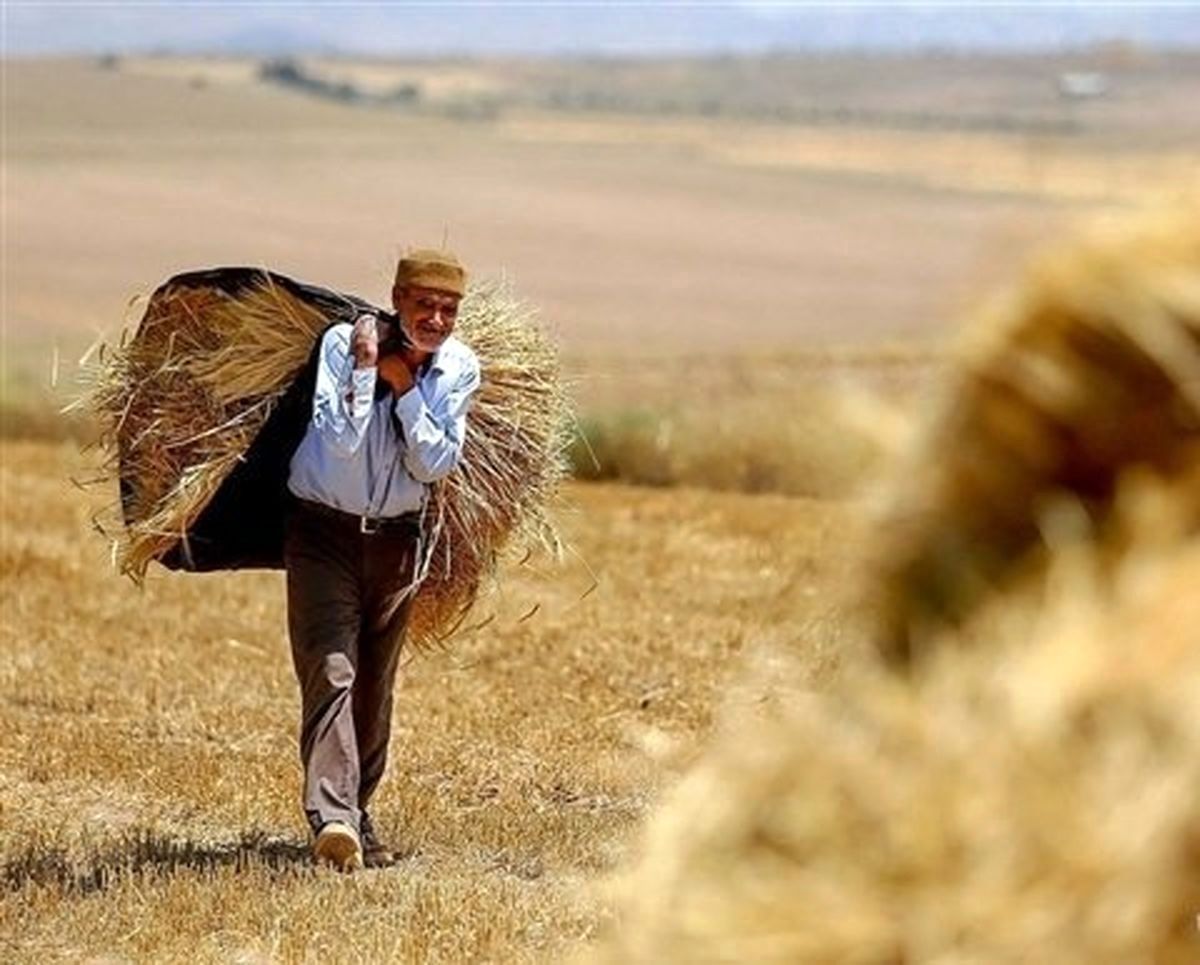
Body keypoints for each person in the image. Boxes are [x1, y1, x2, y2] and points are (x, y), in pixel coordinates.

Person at [283, 248, 480, 871]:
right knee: (332, 668)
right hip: (322, 532)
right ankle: (333, 815)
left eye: (449, 309)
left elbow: (436, 463)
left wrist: (404, 392)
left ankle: (356, 817)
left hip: (399, 541)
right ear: (396, 298)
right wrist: (369, 369)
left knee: (374, 683)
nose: (437, 319)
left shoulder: (459, 369)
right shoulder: (345, 343)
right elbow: (338, 445)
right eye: (425, 304)